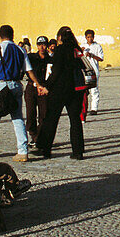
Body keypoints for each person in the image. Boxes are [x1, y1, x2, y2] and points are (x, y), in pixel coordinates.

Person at [0, 24, 47, 162]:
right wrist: (38, 84)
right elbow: (29, 70)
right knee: (17, 119)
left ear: (0, 36)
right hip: (17, 84)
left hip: (2, 85)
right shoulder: (20, 50)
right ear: (12, 35)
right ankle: (22, 151)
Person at [36, 26, 87, 160]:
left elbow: (56, 71)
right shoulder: (76, 50)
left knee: (51, 119)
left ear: (59, 37)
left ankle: (45, 149)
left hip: (60, 90)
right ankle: (78, 151)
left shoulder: (61, 49)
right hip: (75, 90)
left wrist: (47, 86)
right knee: (75, 120)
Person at [25, 35, 51, 148]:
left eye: (44, 44)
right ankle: (33, 135)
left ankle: (40, 137)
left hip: (44, 89)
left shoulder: (50, 59)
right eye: (40, 45)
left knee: (43, 114)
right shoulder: (31, 57)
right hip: (32, 88)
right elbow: (27, 71)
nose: (42, 47)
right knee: (30, 114)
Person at [83, 29, 104, 115]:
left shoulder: (97, 46)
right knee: (84, 90)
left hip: (94, 71)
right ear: (86, 37)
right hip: (84, 70)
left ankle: (94, 108)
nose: (90, 39)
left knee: (94, 90)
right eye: (88, 37)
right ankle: (83, 108)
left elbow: (101, 58)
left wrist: (92, 55)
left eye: (91, 37)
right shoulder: (83, 46)